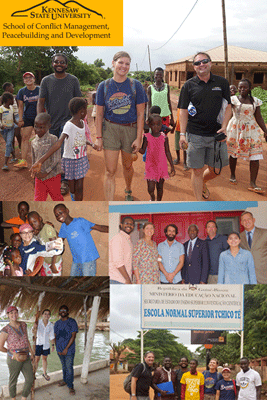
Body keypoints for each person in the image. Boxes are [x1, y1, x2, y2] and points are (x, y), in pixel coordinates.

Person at [178, 52, 232, 201]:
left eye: (204, 61)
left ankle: (204, 182)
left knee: (217, 170)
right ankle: (199, 202)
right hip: (195, 134)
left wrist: (225, 125)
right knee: (196, 170)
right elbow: (182, 110)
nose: (201, 64)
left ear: (211, 63)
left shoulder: (222, 83)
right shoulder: (189, 85)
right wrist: (182, 134)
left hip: (217, 135)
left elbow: (228, 106)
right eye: (197, 63)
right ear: (194, 67)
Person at [95, 51, 148, 201]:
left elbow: (140, 114)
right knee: (110, 170)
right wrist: (99, 137)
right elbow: (99, 114)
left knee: (127, 166)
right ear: (113, 63)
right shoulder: (103, 86)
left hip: (130, 129)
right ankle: (109, 204)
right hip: (110, 129)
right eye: (121, 63)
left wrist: (139, 138)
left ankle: (128, 187)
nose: (123, 66)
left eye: (127, 64)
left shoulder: (135, 85)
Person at [32, 98, 98, 201]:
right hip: (70, 160)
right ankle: (73, 196)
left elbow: (82, 139)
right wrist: (40, 160)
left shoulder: (82, 123)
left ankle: (77, 202)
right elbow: (58, 143)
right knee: (72, 188)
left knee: (79, 187)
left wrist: (92, 144)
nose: (86, 112)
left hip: (81, 158)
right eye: (85, 109)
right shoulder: (69, 125)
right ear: (82, 111)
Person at [37, 53, 82, 195]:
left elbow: (79, 101)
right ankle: (51, 177)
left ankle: (63, 180)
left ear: (66, 65)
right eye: (56, 62)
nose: (59, 64)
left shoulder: (73, 80)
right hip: (51, 122)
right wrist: (40, 119)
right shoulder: (46, 81)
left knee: (64, 151)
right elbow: (41, 101)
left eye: (62, 62)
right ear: (53, 64)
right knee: (49, 150)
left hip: (68, 122)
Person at [226, 78, 267, 193]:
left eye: (244, 87)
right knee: (233, 153)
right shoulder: (233, 99)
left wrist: (265, 130)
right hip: (236, 129)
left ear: (249, 89)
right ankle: (232, 175)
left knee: (256, 156)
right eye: (240, 87)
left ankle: (253, 183)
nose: (242, 89)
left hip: (251, 130)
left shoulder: (255, 101)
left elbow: (259, 117)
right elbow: (227, 113)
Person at [53, 203, 108, 276]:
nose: (59, 216)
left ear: (67, 210)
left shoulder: (80, 221)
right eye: (57, 215)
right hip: (76, 260)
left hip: (88, 259)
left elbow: (99, 227)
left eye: (61, 213)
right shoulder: (63, 227)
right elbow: (59, 241)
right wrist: (52, 229)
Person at [0, 306, 34, 400]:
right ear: (7, 315)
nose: (14, 315)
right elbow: (0, 346)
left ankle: (24, 398)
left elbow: (27, 339)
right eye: (11, 313)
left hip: (26, 356)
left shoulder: (23, 325)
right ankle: (13, 398)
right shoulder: (5, 330)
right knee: (13, 380)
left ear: (18, 313)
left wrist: (32, 353)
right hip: (14, 359)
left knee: (30, 378)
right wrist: (11, 352)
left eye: (15, 312)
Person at [139, 113, 175, 201]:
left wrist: (172, 166)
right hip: (150, 166)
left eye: (158, 124)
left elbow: (168, 152)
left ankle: (159, 202)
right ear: (149, 125)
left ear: (161, 125)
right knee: (150, 188)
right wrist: (136, 148)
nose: (156, 127)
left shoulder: (164, 137)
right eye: (153, 124)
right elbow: (143, 150)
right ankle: (152, 196)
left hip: (161, 166)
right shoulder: (146, 137)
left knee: (160, 187)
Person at [30, 113, 64, 201]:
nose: (37, 130)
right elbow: (34, 160)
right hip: (39, 178)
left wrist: (46, 172)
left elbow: (56, 160)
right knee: (38, 199)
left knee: (56, 198)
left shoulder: (53, 139)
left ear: (49, 126)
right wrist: (35, 175)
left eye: (41, 127)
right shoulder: (33, 142)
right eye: (36, 126)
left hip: (53, 177)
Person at [15, 72, 39, 169]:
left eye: (30, 77)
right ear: (24, 80)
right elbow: (21, 106)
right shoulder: (22, 91)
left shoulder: (40, 90)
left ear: (34, 79)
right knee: (25, 138)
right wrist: (20, 119)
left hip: (39, 118)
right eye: (26, 78)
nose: (28, 79)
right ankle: (23, 161)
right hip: (27, 117)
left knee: (40, 139)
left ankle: (40, 161)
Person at [28, 211, 62, 276]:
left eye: (35, 222)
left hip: (54, 261)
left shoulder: (47, 229)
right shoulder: (36, 231)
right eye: (31, 224)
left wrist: (53, 264)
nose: (34, 225)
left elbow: (56, 247)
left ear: (40, 218)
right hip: (46, 260)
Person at [54, 305, 78, 396]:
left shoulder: (72, 322)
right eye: (61, 310)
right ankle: (65, 380)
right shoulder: (57, 323)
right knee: (64, 366)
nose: (62, 311)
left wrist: (66, 349)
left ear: (68, 312)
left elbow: (73, 336)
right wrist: (58, 348)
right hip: (60, 350)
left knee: (69, 367)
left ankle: (70, 386)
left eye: (64, 310)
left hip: (69, 350)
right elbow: (55, 337)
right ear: (59, 312)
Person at [240, 211, 267, 284]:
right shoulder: (239, 237)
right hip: (248, 278)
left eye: (248, 219)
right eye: (244, 220)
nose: (246, 222)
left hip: (264, 276)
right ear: (241, 223)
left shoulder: (265, 233)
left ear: (253, 220)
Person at [109, 216, 135, 284]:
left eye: (131, 224)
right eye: (126, 223)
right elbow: (118, 262)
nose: (129, 225)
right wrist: (128, 280)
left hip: (122, 280)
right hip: (116, 279)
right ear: (121, 225)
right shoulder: (118, 238)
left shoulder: (128, 240)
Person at [33, 309, 55, 381]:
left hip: (46, 345)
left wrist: (52, 345)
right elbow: (33, 332)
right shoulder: (38, 322)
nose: (47, 315)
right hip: (38, 344)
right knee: (36, 360)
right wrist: (34, 327)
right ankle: (33, 374)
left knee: (44, 359)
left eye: (48, 314)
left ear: (50, 316)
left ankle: (44, 373)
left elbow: (51, 336)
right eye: (45, 314)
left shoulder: (50, 325)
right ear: (42, 315)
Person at [1, 81, 21, 151]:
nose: (13, 88)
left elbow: (19, 107)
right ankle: (13, 153)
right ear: (7, 88)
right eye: (12, 87)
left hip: (17, 116)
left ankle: (21, 146)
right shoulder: (2, 98)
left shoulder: (15, 96)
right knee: (11, 137)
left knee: (18, 133)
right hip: (8, 118)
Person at [0, 92, 17, 170]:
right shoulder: (1, 108)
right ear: (9, 100)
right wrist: (1, 125)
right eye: (13, 99)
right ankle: (14, 157)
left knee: (8, 144)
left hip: (11, 129)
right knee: (8, 144)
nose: (14, 101)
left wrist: (19, 123)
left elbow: (14, 119)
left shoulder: (12, 108)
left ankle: (5, 164)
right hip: (3, 130)